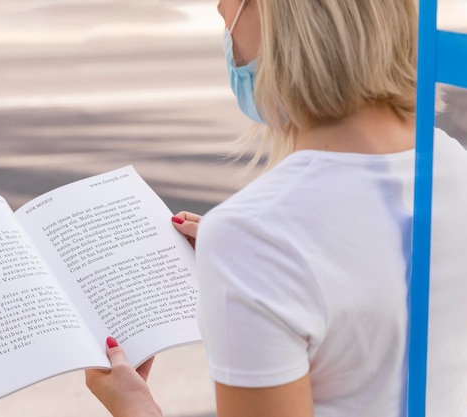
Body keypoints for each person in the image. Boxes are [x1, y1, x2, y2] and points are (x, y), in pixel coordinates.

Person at [85, 0, 467, 416]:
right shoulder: (455, 162)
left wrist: (134, 407)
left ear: (276, 17)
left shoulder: (253, 234)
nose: (219, 10)